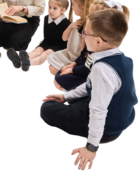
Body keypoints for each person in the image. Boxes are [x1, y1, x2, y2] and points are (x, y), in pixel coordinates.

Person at [39, 9, 137, 171]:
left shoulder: (101, 68)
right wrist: (66, 97)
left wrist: (91, 147)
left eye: (85, 33)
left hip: (107, 129)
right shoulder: (125, 58)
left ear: (98, 41)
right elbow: (91, 85)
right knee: (78, 96)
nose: (83, 35)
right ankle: (73, 105)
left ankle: (91, 132)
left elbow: (98, 109)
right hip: (124, 117)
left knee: (46, 109)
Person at [53, 0, 131, 92]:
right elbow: (83, 54)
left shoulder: (99, 50)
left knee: (59, 81)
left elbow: (88, 66)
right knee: (58, 75)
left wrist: (72, 70)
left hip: (86, 73)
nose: (87, 17)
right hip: (81, 68)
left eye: (92, 14)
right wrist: (74, 64)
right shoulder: (92, 41)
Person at [5, 0, 72, 72]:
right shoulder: (46, 18)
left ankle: (29, 63)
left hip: (59, 46)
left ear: (63, 10)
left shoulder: (66, 23)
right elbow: (47, 35)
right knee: (37, 51)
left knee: (46, 54)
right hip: (47, 42)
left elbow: (67, 40)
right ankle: (19, 59)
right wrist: (43, 41)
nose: (51, 10)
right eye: (49, 7)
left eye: (55, 8)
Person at [46, 0, 101, 77]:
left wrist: (76, 63)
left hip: (77, 58)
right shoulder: (76, 22)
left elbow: (82, 53)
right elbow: (64, 38)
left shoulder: (88, 27)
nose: (71, 7)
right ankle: (65, 71)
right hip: (69, 53)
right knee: (50, 58)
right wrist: (71, 26)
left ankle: (70, 73)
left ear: (83, 8)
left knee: (52, 69)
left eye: (74, 5)